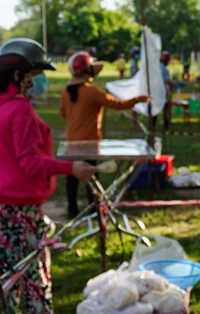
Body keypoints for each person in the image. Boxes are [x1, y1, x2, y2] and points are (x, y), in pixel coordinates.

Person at [0, 39, 97, 314]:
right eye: (36, 74)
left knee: (8, 267)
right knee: (35, 266)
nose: (40, 80)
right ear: (20, 76)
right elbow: (29, 161)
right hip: (21, 205)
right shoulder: (19, 110)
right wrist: (70, 168)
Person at [59, 50, 146, 215]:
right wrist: (138, 99)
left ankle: (72, 208)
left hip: (72, 141)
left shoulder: (66, 92)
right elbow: (117, 104)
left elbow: (63, 112)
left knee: (72, 175)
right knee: (91, 175)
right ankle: (94, 208)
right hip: (90, 142)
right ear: (88, 71)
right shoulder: (93, 92)